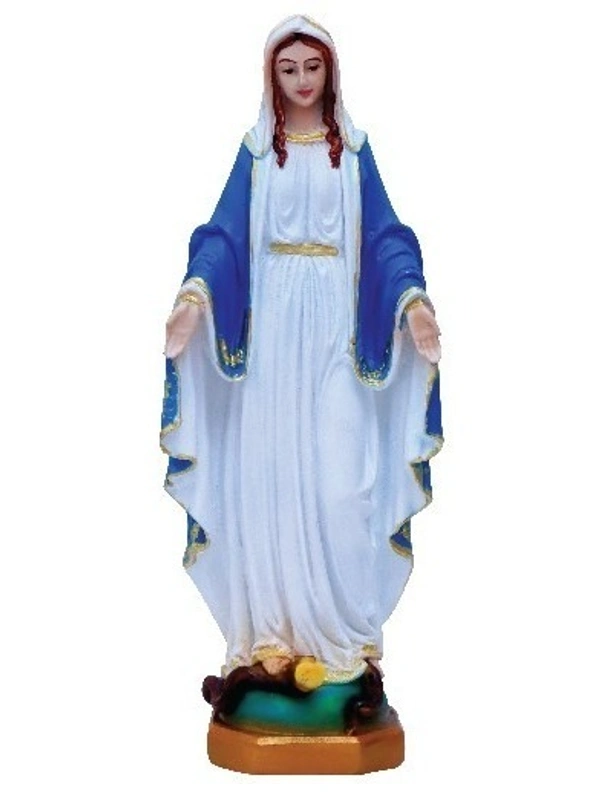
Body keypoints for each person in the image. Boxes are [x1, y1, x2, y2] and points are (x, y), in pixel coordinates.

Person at [161, 15, 442, 687]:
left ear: (331, 71)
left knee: (343, 482)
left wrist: (413, 302)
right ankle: (273, 634)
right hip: (273, 332)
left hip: (336, 330)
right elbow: (224, 235)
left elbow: (385, 237)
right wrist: (195, 297)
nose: (302, 81)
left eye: (313, 67)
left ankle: (345, 636)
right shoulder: (258, 153)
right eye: (288, 70)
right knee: (271, 472)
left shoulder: (356, 152)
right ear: (272, 77)